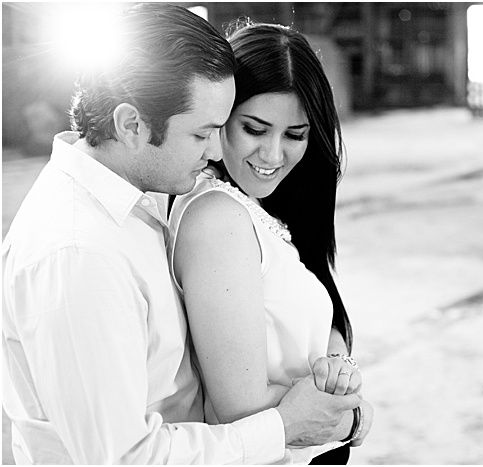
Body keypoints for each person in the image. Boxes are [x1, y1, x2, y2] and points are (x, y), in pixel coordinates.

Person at [1, 4, 360, 464]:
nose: (215, 150)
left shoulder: (135, 205)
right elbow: (126, 459)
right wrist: (299, 424)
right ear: (131, 125)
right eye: (202, 133)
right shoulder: (77, 252)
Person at [167, 22, 373, 464]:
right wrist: (352, 418)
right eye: (254, 129)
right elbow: (240, 407)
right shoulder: (217, 218)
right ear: (221, 115)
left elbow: (324, 311)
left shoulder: (258, 206)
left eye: (294, 135)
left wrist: (338, 370)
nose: (273, 155)